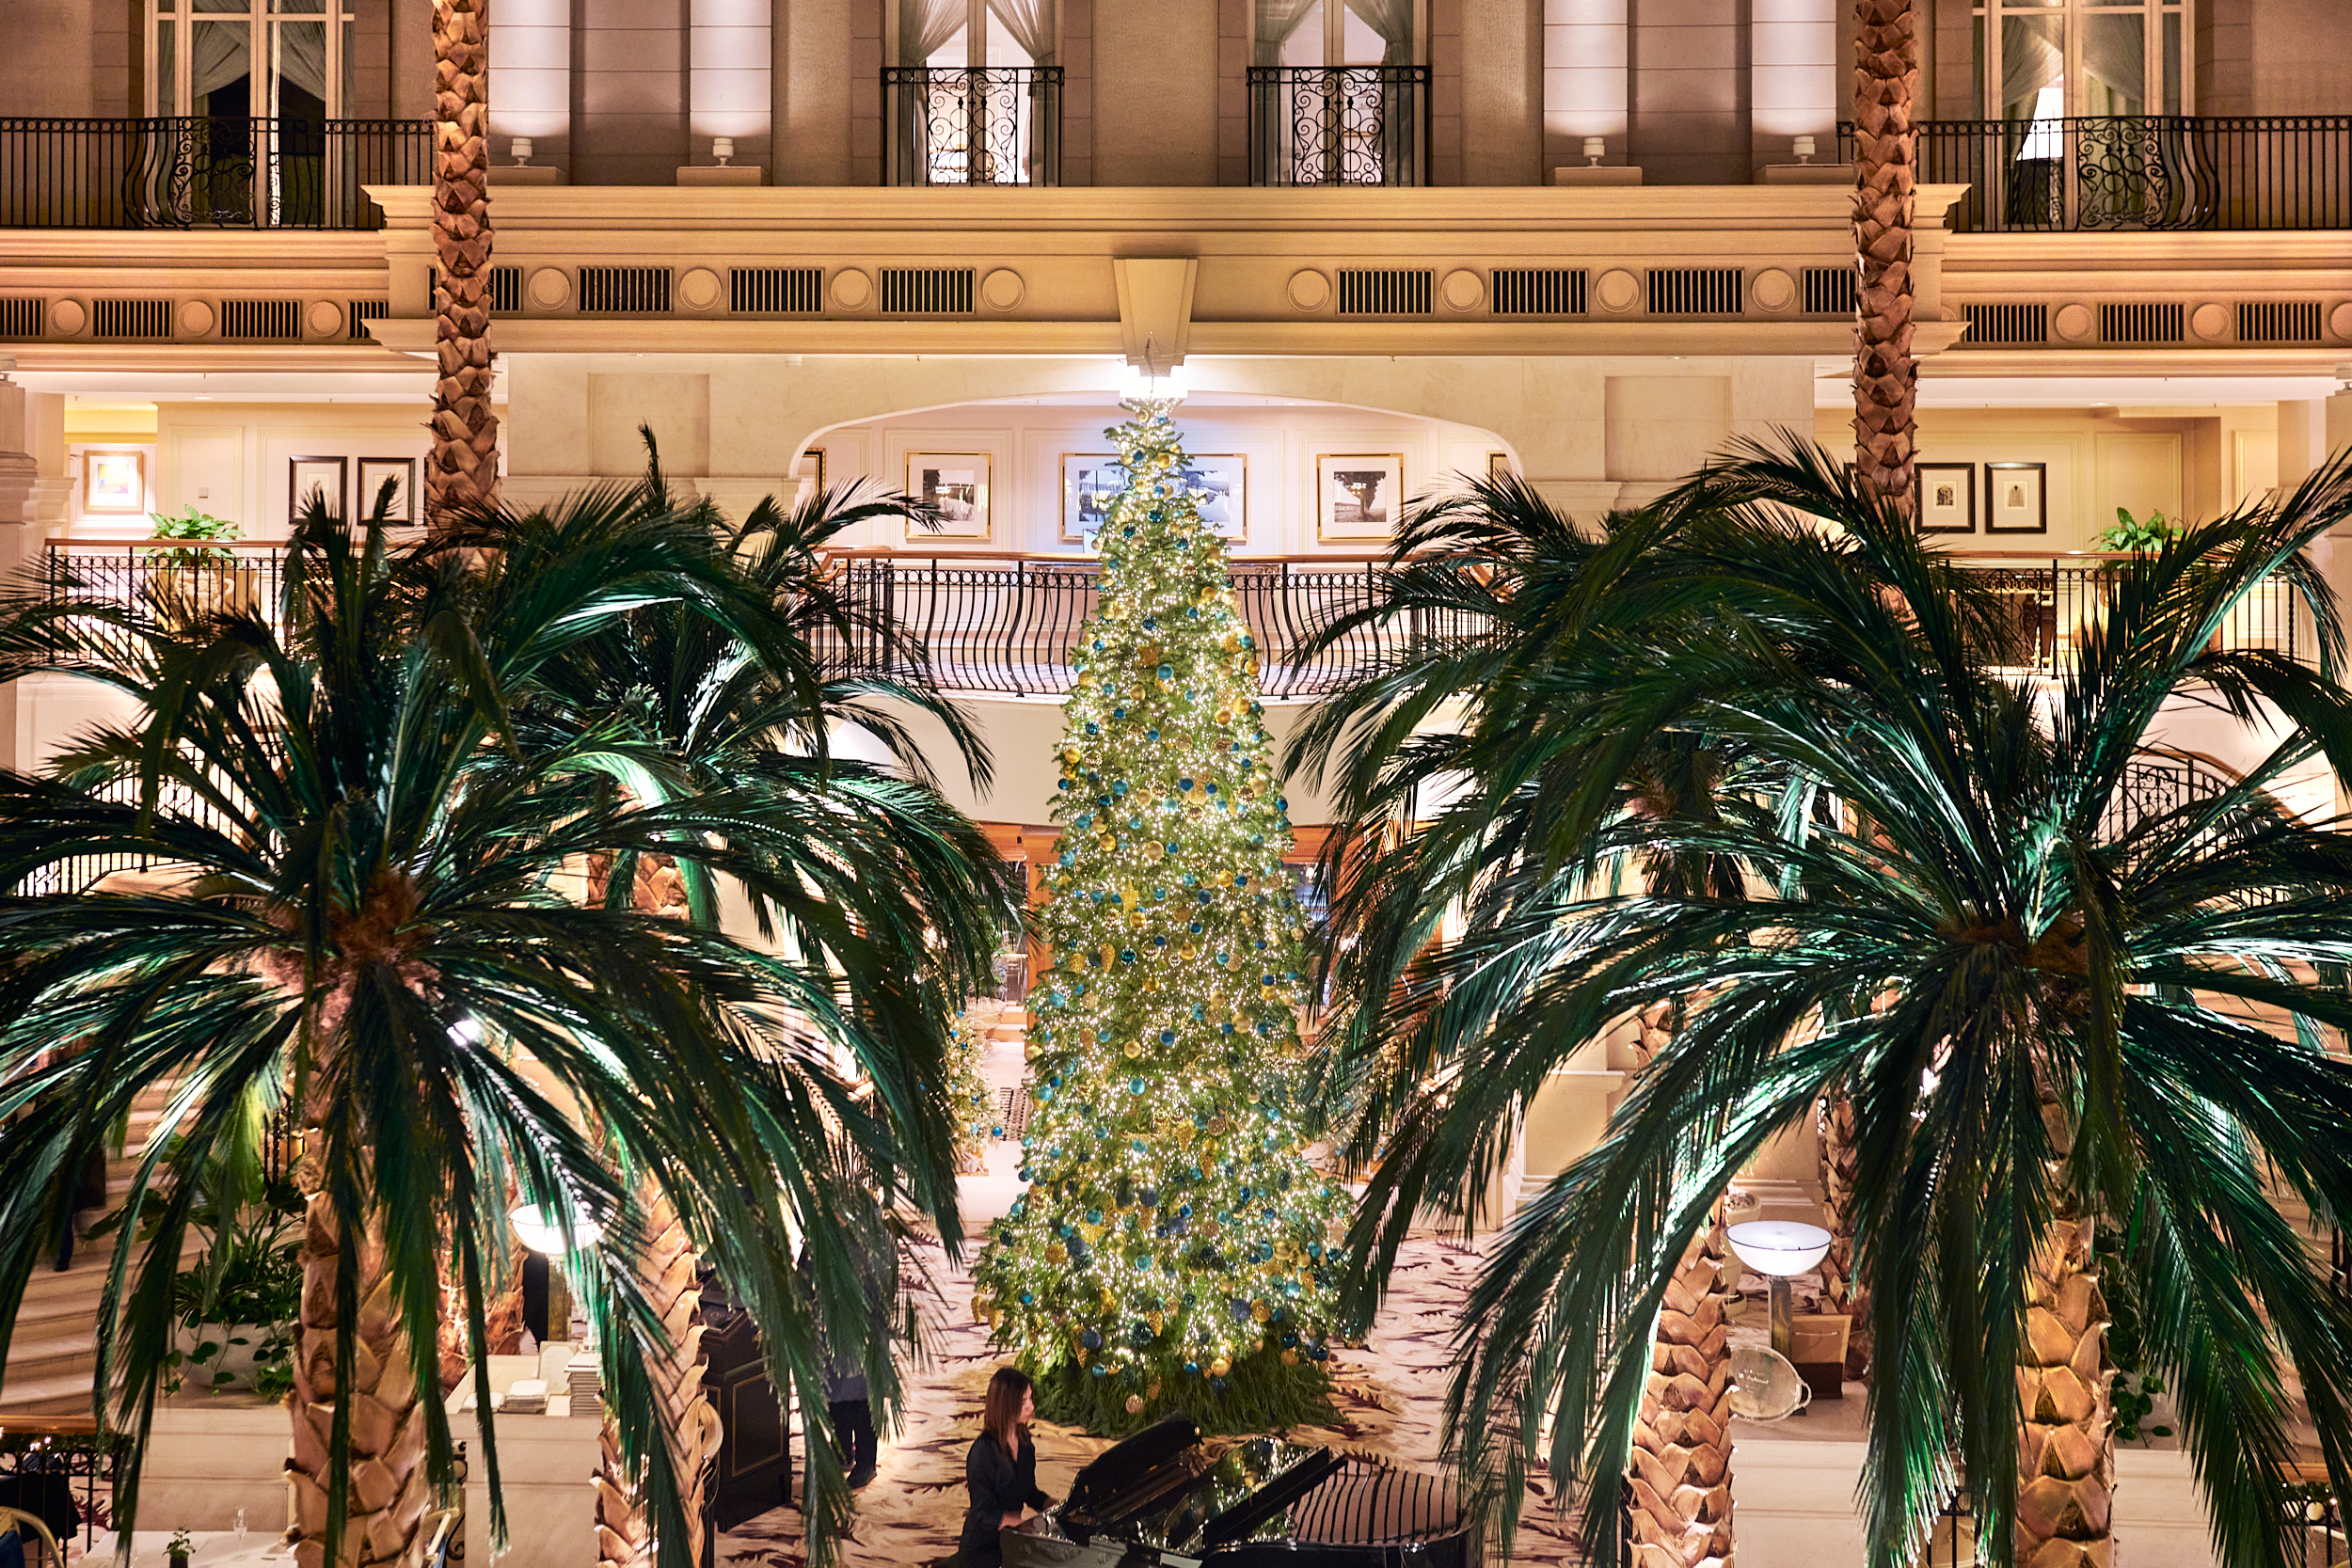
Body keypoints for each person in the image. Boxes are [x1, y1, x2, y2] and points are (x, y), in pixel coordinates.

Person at [958, 1368, 1051, 1568]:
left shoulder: (1025, 1444)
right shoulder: (983, 1451)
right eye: (1024, 1401)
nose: (1031, 1407)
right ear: (1007, 1404)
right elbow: (983, 1512)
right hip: (982, 1549)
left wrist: (1054, 1505)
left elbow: (1028, 1491)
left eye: (1030, 1399)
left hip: (1011, 1542)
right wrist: (1020, 1524)